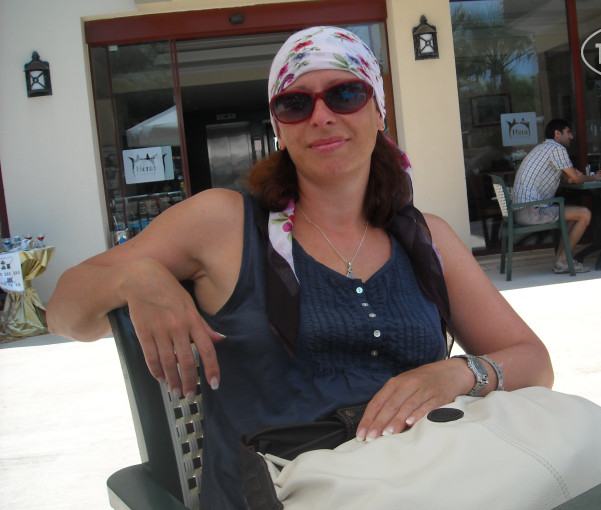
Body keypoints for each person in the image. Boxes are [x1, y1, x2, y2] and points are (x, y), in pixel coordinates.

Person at [47, 26, 554, 509]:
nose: (321, 116)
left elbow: (534, 363)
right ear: (279, 129)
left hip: (430, 479)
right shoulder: (223, 223)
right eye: (295, 103)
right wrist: (132, 276)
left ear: (378, 111)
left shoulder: (427, 237)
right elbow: (63, 311)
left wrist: (458, 373)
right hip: (280, 493)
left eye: (345, 94)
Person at [511, 118, 601, 274]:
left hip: (523, 209)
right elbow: (577, 178)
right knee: (584, 214)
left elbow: (562, 175)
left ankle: (561, 260)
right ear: (557, 133)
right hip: (531, 211)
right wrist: (595, 177)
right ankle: (562, 260)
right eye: (568, 132)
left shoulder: (543, 148)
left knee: (572, 217)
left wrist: (568, 177)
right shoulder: (557, 148)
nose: (571, 136)